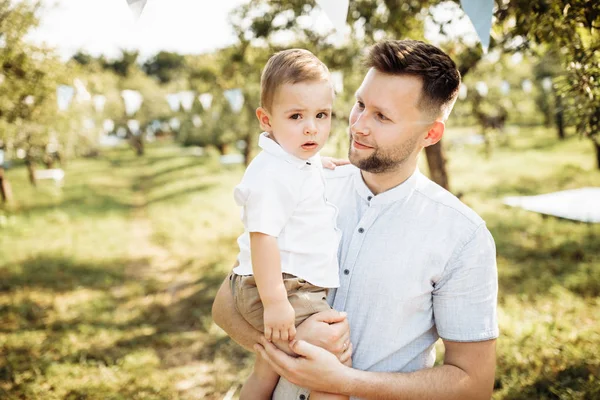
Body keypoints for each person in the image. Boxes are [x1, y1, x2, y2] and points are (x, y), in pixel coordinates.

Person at [213, 39, 499, 400]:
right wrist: (295, 344)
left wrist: (344, 382)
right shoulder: (307, 182)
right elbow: (225, 305)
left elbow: (473, 386)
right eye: (360, 105)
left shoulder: (463, 236)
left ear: (430, 133)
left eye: (382, 116)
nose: (358, 126)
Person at [228, 48, 348, 400]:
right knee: (333, 365)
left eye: (322, 115)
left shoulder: (294, 161)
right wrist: (277, 302)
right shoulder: (273, 176)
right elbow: (262, 239)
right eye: (296, 116)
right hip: (280, 286)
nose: (312, 127)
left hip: (283, 283)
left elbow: (304, 172)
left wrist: (326, 164)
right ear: (266, 120)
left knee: (268, 367)